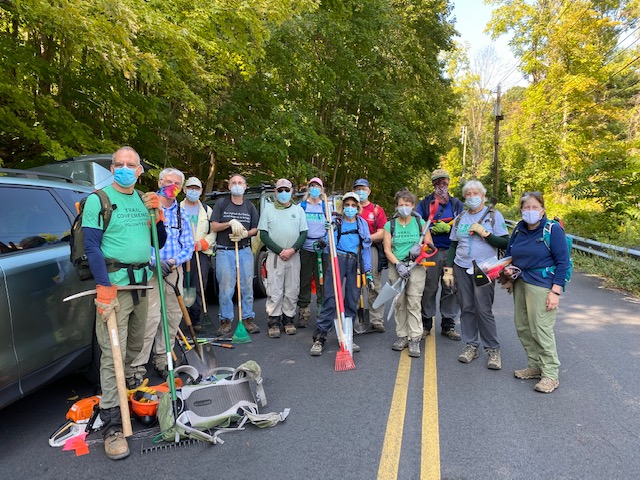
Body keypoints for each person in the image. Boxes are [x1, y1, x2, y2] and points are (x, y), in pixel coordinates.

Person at [82, 146, 166, 460]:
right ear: (112, 167)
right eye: (120, 164)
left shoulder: (144, 199)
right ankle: (113, 424)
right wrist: (103, 287)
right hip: (114, 287)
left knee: (135, 347)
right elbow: (91, 245)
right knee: (110, 354)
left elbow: (160, 242)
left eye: (131, 165)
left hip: (142, 283)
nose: (126, 168)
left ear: (140, 170)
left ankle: (127, 392)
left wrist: (157, 217)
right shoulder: (98, 200)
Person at [131, 168, 194, 381]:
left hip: (173, 271)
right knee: (149, 319)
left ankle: (162, 359)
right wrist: (151, 262)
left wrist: (175, 261)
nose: (171, 187)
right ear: (159, 181)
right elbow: (136, 240)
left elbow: (188, 246)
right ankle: (137, 369)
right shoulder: (145, 207)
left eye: (176, 184)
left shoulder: (181, 213)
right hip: (149, 271)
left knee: (172, 318)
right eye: (168, 182)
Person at [504, 192, 570, 394]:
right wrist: (507, 270)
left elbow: (563, 262)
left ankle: (550, 374)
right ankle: (535, 365)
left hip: (543, 285)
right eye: (526, 208)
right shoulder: (519, 229)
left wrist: (555, 292)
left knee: (541, 328)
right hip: (521, 282)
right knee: (523, 326)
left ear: (542, 209)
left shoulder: (552, 230)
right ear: (521, 210)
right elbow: (509, 254)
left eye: (534, 207)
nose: (530, 211)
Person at [446, 180, 509, 369]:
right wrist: (448, 270)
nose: (472, 197)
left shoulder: (493, 216)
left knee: (483, 309)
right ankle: (471, 345)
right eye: (468, 194)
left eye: (476, 193)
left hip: (484, 269)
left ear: (483, 196)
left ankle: (493, 350)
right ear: (465, 197)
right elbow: (453, 244)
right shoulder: (460, 218)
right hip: (461, 266)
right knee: (466, 307)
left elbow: (506, 243)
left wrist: (487, 235)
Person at [310, 192, 372, 356]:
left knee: (352, 298)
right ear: (342, 206)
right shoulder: (336, 222)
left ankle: (347, 336)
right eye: (347, 205)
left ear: (357, 207)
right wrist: (327, 235)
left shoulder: (362, 224)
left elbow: (365, 249)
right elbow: (328, 243)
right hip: (338, 260)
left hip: (355, 262)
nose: (350, 208)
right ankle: (320, 337)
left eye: (353, 205)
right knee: (331, 298)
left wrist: (368, 270)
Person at [383, 189, 433, 358]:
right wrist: (397, 264)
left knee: (413, 302)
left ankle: (414, 338)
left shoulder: (420, 223)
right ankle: (402, 335)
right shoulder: (390, 225)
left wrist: (419, 249)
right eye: (400, 205)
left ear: (413, 206)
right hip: (397, 267)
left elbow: (429, 244)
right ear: (396, 206)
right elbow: (387, 249)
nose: (404, 207)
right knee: (399, 303)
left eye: (407, 204)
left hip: (416, 267)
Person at [416, 169, 464, 340]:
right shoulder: (424, 204)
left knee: (450, 287)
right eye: (438, 182)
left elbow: (463, 225)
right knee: (429, 287)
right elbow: (417, 222)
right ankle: (426, 323)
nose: (441, 186)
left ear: (449, 183)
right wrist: (430, 228)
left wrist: (449, 228)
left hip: (451, 252)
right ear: (433, 184)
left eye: (444, 182)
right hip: (431, 252)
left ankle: (448, 324)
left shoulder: (457, 204)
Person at [210, 174, 260, 336]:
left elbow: (255, 229)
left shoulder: (249, 206)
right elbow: (214, 226)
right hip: (225, 251)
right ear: (229, 186)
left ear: (245, 187)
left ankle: (247, 318)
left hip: (244, 250)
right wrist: (229, 223)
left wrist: (244, 234)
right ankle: (226, 320)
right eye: (234, 183)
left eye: (240, 183)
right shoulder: (222, 204)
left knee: (247, 286)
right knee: (225, 287)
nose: (237, 185)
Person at [258, 179, 308, 338]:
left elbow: (303, 233)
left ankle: (288, 320)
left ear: (292, 191)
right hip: (275, 256)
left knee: (292, 289)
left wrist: (292, 250)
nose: (284, 193)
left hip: (294, 256)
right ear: (275, 191)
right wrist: (280, 251)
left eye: (287, 189)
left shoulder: (298, 211)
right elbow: (263, 235)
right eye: (280, 190)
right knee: (274, 289)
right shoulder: (268, 210)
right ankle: (273, 322)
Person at [180, 177, 216, 332]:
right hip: (181, 252)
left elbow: (213, 231)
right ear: (184, 189)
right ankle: (181, 319)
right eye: (190, 188)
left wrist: (203, 243)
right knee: (181, 286)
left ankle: (196, 319)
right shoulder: (177, 208)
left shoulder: (207, 210)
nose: (193, 191)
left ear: (201, 191)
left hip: (199, 253)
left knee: (197, 286)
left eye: (196, 188)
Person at [353, 178, 388, 332]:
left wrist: (366, 238)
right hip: (352, 250)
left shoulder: (376, 210)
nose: (361, 192)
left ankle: (376, 319)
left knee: (373, 284)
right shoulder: (350, 207)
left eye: (364, 189)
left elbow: (382, 232)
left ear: (369, 191)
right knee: (354, 285)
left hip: (371, 249)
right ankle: (354, 317)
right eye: (358, 189)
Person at [297, 177, 329, 328]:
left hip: (322, 248)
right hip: (306, 248)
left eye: (318, 186)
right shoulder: (302, 206)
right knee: (304, 281)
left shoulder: (326, 206)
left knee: (322, 281)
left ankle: (322, 311)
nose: (315, 189)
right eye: (312, 186)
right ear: (309, 188)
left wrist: (327, 239)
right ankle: (304, 312)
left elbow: (332, 226)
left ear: (322, 190)